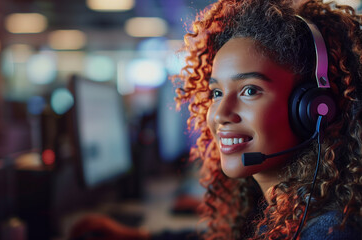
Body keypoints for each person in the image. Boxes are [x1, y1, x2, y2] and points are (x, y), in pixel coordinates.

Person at [69, 0, 362, 239]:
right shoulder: (274, 208)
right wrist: (141, 236)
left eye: (250, 90)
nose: (220, 113)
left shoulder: (329, 231)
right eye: (217, 92)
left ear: (315, 108)